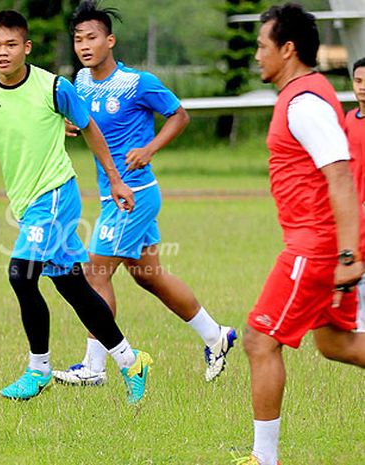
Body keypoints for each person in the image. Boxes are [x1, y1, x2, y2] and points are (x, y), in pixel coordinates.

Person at [0, 10, 153, 403]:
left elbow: (89, 127)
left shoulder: (54, 87)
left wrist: (116, 178)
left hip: (55, 194)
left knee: (21, 275)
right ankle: (130, 360)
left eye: (11, 45)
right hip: (25, 201)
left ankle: (37, 369)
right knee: (73, 287)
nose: (2, 54)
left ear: (27, 48)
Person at [52, 0, 236, 387]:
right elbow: (89, 122)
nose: (84, 46)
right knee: (149, 276)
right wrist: (72, 125)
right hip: (110, 194)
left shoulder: (137, 83)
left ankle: (94, 367)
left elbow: (179, 115)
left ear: (110, 40)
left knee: (94, 272)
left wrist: (150, 149)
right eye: (78, 39)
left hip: (133, 195)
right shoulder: (81, 84)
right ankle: (215, 335)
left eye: (91, 38)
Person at [237, 4, 365, 464]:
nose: (256, 55)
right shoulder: (302, 95)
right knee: (336, 343)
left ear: (287, 49)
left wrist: (348, 255)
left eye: (261, 46)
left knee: (258, 339)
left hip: (315, 246)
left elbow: (341, 176)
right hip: (321, 243)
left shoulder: (305, 103)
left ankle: (263, 459)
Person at [345, 57, 365, 332]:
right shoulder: (349, 119)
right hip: (355, 208)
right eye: (359, 81)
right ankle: (359, 324)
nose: (363, 88)